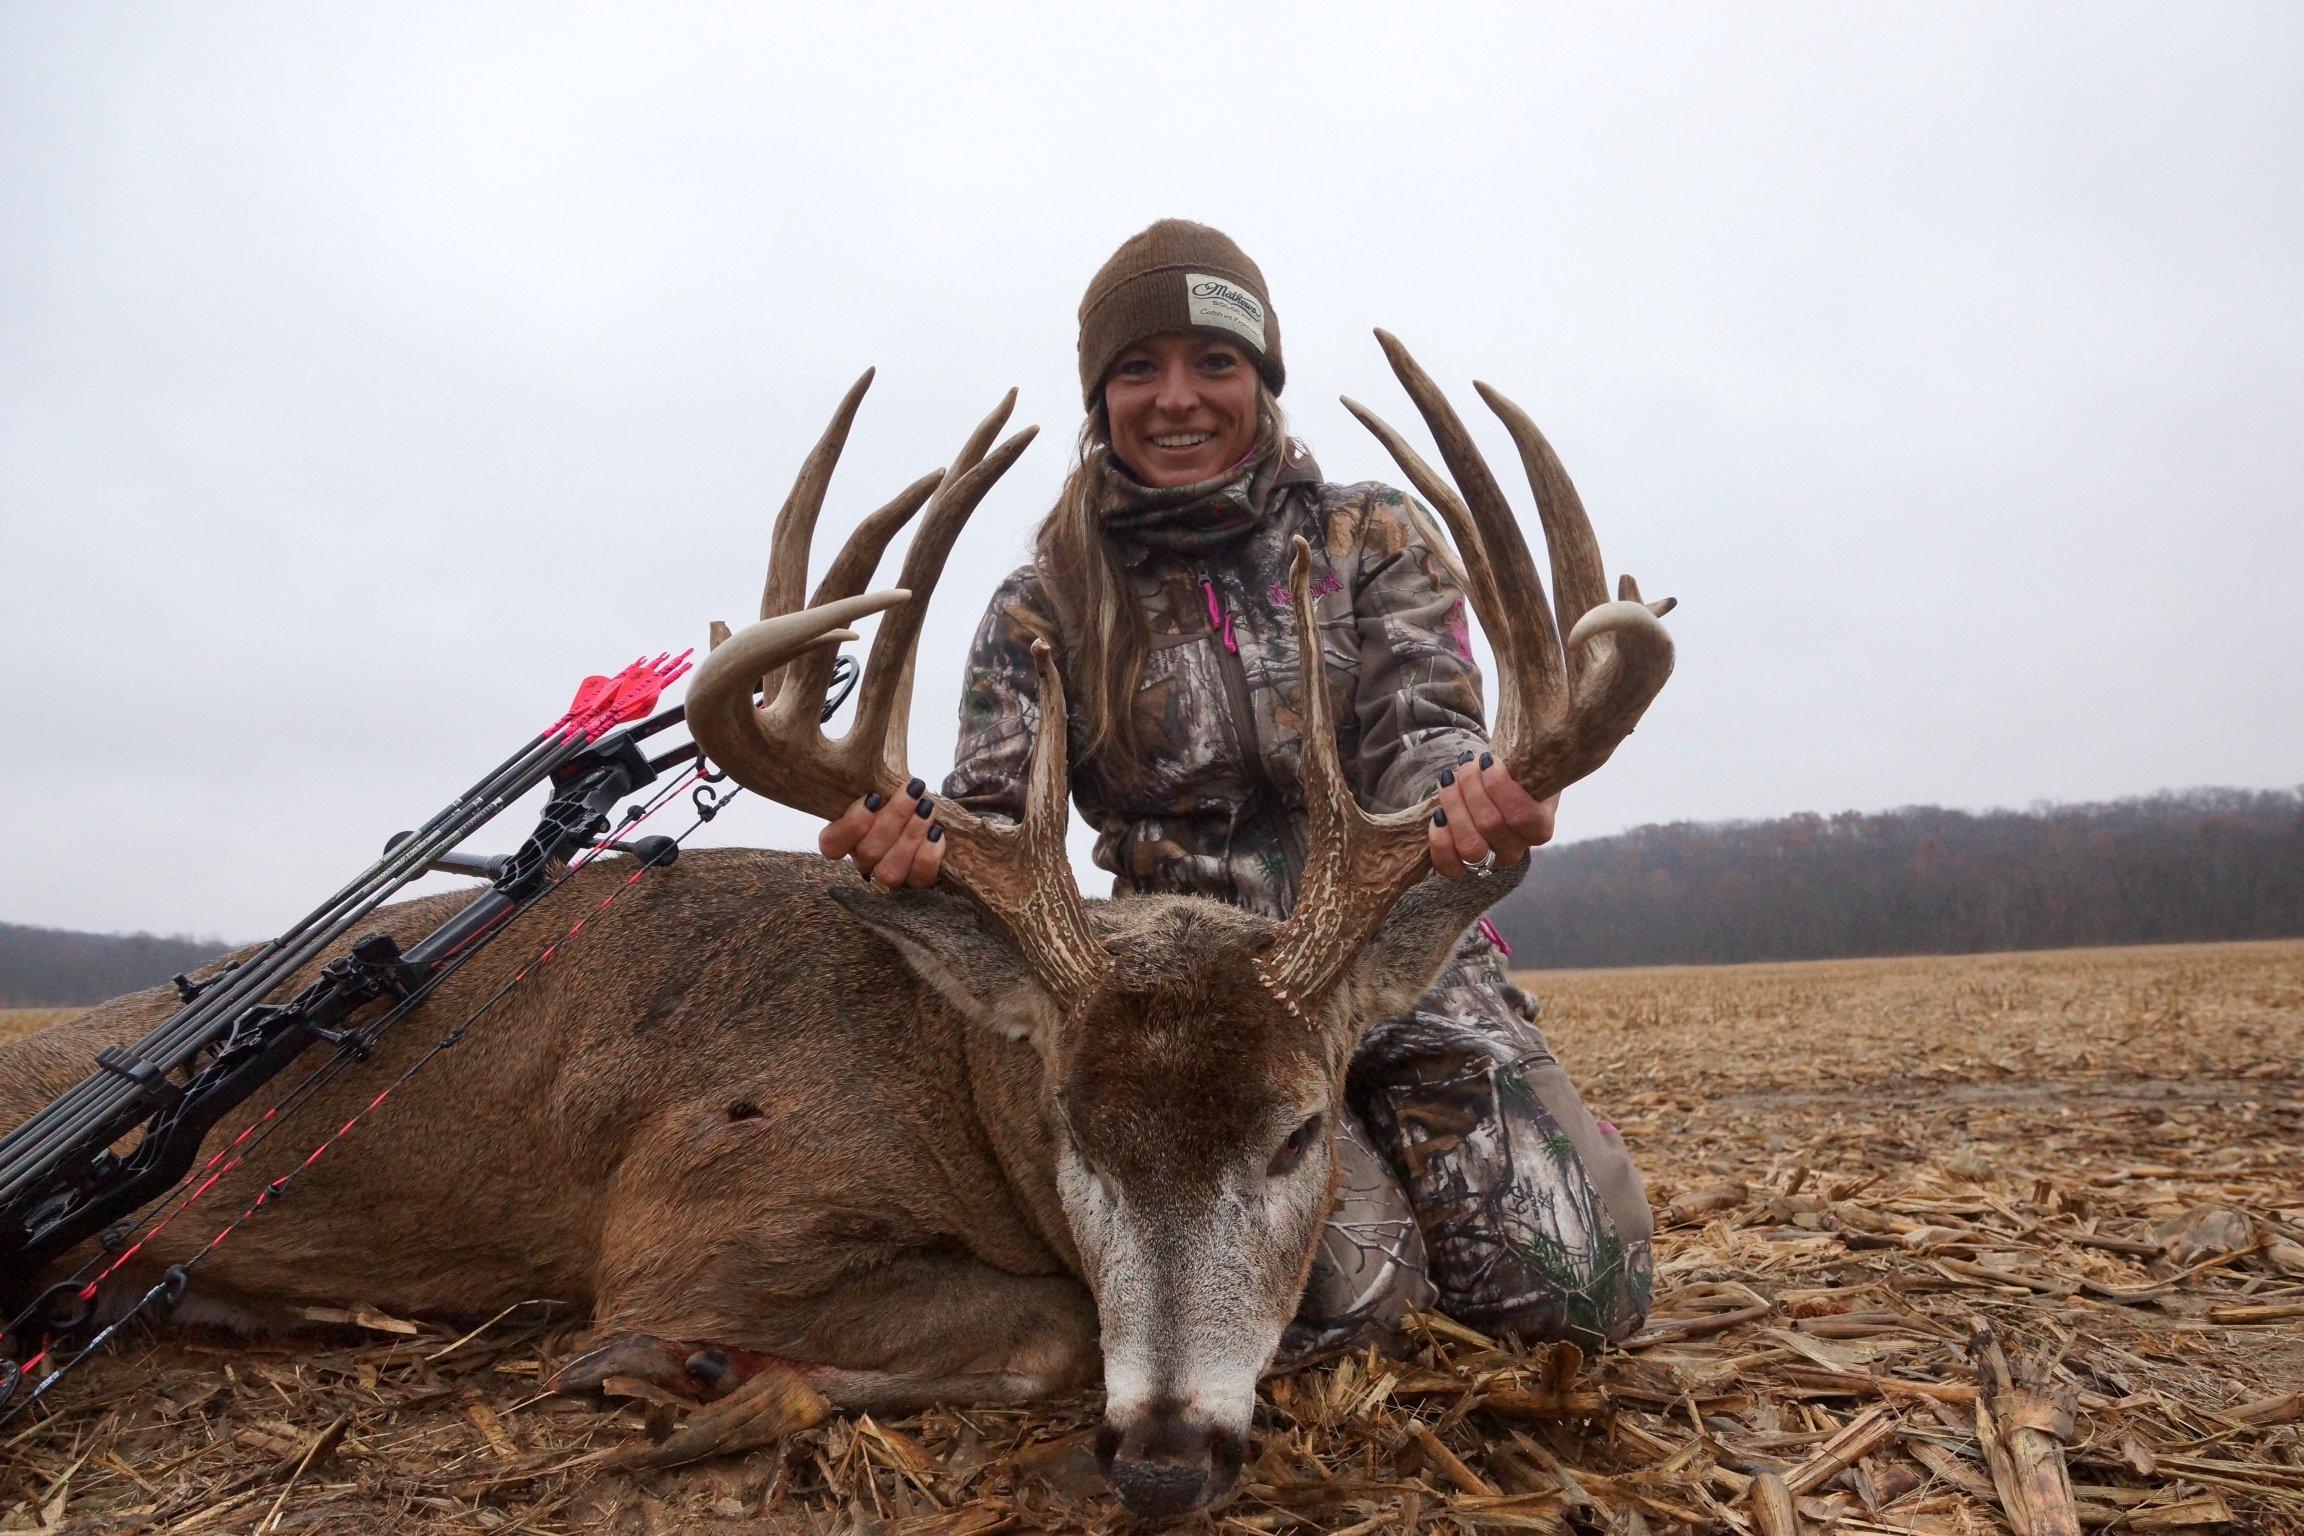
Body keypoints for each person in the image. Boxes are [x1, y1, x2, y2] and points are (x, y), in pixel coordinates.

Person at [819, 220, 1653, 1356]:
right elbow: (999, 820)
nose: (1177, 398)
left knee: (1576, 1293)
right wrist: (919, 842)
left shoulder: (1373, 537)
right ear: (1099, 394)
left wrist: (1478, 797)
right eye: (1137, 369)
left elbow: (1430, 729)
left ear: (1261, 382)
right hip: (1184, 1012)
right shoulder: (1046, 600)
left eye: (1215, 363)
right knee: (1354, 1296)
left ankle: (1492, 1124)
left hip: (1386, 953)